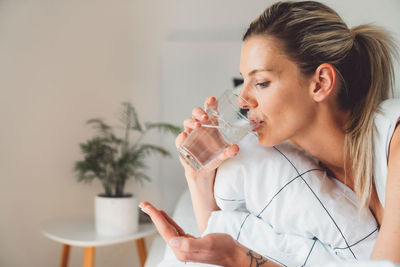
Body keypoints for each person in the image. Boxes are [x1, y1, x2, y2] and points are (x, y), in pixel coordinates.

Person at [140, 1, 400, 266]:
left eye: (261, 82)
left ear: (321, 83)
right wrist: (198, 177)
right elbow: (220, 241)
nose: (242, 101)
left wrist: (237, 257)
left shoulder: (396, 144)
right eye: (243, 82)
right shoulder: (301, 171)